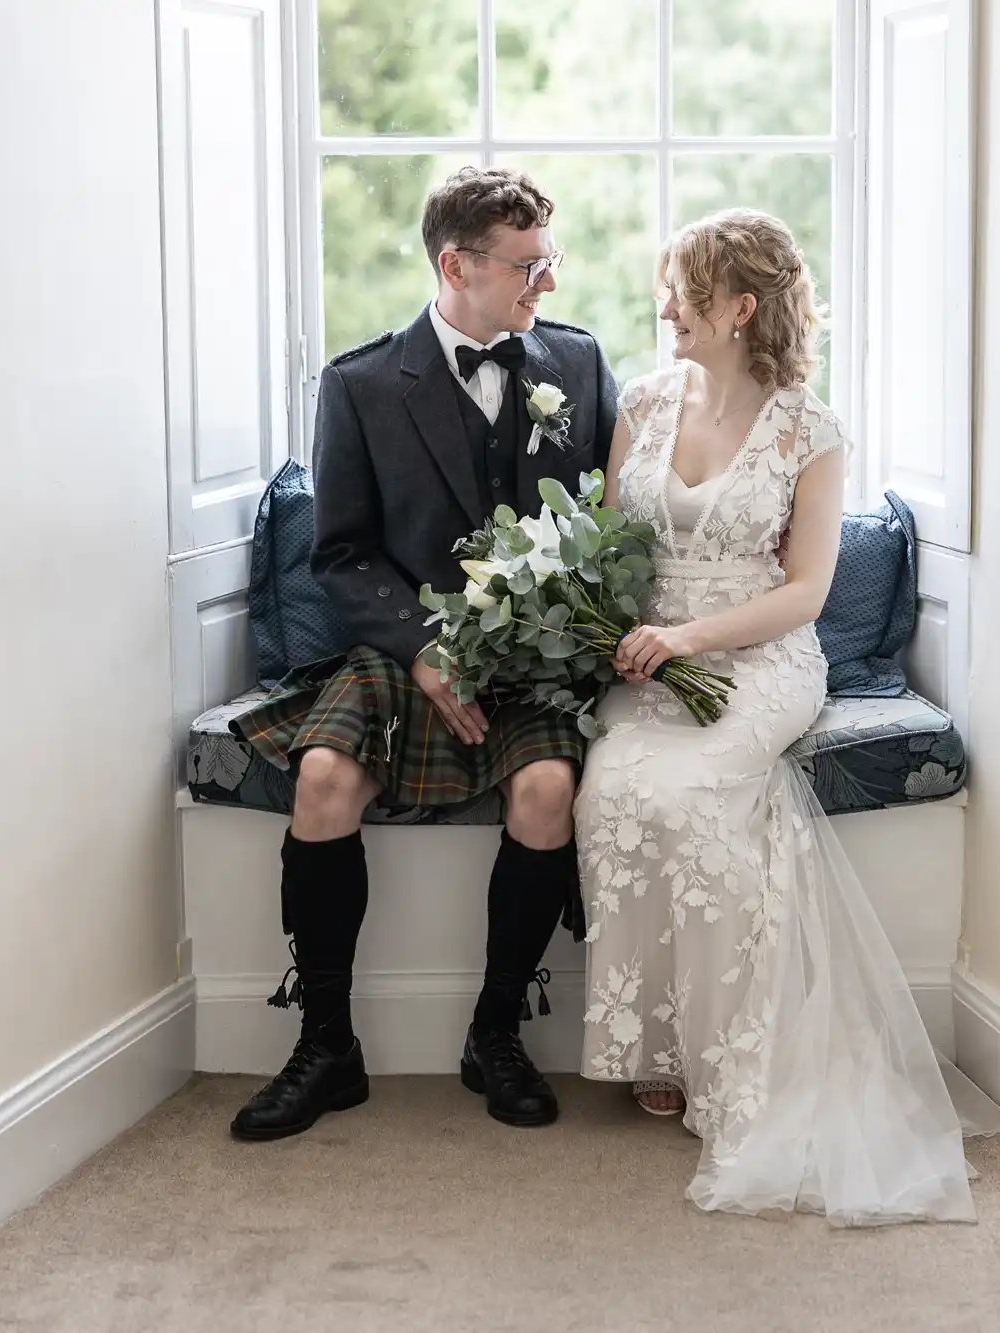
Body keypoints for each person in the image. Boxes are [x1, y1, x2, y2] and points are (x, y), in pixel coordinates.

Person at [575, 209, 1000, 1225]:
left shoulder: (808, 428)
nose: (665, 303)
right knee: (614, 793)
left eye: (684, 286)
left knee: (696, 795)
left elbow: (807, 589)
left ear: (739, 305)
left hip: (759, 659)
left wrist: (691, 640)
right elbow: (604, 543)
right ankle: (658, 1046)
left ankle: (736, 1063)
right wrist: (610, 625)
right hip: (645, 661)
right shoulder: (639, 402)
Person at [229, 167, 617, 1140]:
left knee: (544, 794)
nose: (548, 287)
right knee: (321, 778)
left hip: (533, 656)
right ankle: (326, 1044)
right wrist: (425, 650)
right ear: (455, 265)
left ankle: (493, 1032)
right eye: (528, 267)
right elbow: (342, 554)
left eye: (548, 261)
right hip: (403, 651)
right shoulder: (359, 384)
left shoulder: (574, 364)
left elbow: (609, 522)